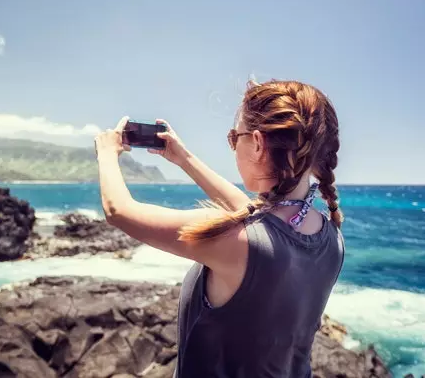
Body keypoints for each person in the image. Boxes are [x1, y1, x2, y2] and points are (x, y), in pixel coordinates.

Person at [94, 79, 345, 378]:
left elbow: (119, 211)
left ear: (257, 143)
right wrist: (182, 158)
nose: (233, 146)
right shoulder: (332, 238)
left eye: (233, 137)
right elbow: (254, 214)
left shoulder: (239, 240)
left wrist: (106, 153)